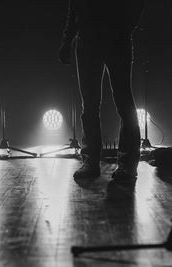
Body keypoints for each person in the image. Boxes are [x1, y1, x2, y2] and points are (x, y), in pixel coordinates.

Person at [58, 0, 145, 180]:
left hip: (104, 38)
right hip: (100, 39)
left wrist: (68, 40)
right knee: (114, 103)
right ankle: (122, 164)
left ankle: (99, 163)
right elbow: (74, 7)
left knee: (103, 104)